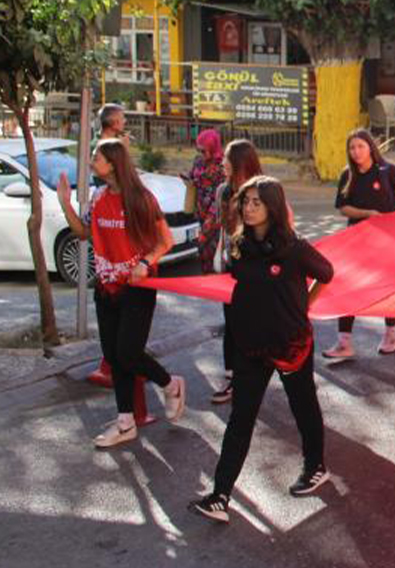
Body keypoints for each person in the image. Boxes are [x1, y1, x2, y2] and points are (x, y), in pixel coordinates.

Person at [188, 176, 335, 523]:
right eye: (245, 202)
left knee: (303, 406)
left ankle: (315, 467)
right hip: (249, 345)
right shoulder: (238, 245)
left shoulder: (294, 246)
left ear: (272, 205)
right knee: (241, 418)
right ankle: (220, 495)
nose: (249, 208)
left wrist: (303, 308)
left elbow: (326, 273)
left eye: (256, 202)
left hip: (290, 344)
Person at [55, 139, 186, 448]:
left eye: (96, 157)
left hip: (137, 289)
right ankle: (125, 422)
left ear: (113, 163)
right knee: (115, 357)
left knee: (128, 352)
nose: (91, 162)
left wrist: (144, 263)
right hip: (106, 288)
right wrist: (65, 203)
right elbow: (83, 232)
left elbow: (165, 241)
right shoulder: (99, 198)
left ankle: (171, 384)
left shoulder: (141, 198)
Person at [324, 129, 395, 360]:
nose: (356, 152)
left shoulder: (386, 170)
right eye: (352, 148)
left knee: (388, 286)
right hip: (357, 240)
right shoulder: (348, 174)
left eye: (360, 147)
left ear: (370, 148)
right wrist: (368, 214)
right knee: (348, 287)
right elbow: (343, 207)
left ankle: (390, 334)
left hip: (390, 241)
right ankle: (344, 342)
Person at [210, 139, 266, 405]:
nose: (222, 163)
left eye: (226, 159)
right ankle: (232, 376)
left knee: (253, 324)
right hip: (231, 267)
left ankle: (254, 374)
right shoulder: (223, 191)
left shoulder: (261, 190)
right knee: (231, 323)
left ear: (240, 163)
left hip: (256, 268)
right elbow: (223, 226)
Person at [85, 103, 133, 392]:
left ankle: (116, 364)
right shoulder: (107, 148)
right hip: (111, 257)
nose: (93, 162)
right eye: (123, 117)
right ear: (113, 121)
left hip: (121, 262)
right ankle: (112, 364)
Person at [183, 129, 226, 275]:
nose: (201, 153)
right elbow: (192, 175)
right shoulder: (198, 160)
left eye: (204, 150)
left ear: (213, 147)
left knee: (205, 241)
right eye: (199, 150)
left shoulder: (223, 165)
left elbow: (224, 191)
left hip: (216, 210)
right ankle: (207, 276)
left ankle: (217, 276)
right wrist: (188, 179)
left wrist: (213, 216)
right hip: (201, 208)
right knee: (204, 248)